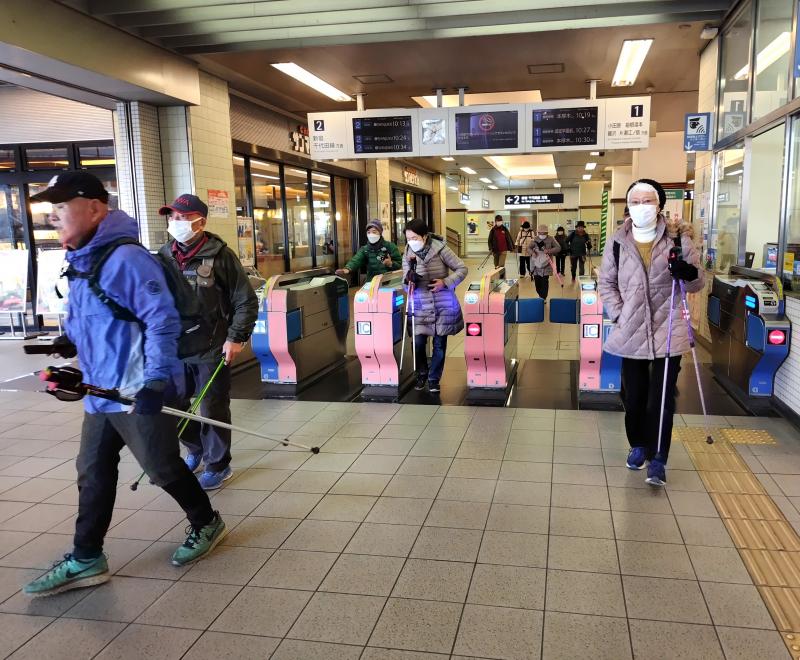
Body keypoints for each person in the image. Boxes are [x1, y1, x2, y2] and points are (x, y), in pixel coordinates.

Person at [22, 173, 225, 597]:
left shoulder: (126, 258)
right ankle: (86, 556)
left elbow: (161, 320)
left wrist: (153, 382)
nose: (54, 215)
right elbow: (96, 316)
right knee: (92, 471)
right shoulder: (81, 257)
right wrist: (68, 341)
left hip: (135, 389)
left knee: (162, 468)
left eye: (63, 206)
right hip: (100, 392)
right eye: (51, 208)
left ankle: (207, 523)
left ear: (94, 208)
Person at [598, 178, 704, 487]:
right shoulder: (617, 241)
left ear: (659, 204)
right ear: (628, 205)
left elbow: (696, 283)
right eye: (635, 201)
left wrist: (689, 274)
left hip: (668, 329)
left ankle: (658, 458)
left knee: (661, 399)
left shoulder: (678, 239)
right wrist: (619, 313)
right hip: (630, 329)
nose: (641, 206)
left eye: (648, 200)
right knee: (634, 397)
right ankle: (638, 445)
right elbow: (607, 282)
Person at [158, 194, 258, 490]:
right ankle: (195, 447)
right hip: (174, 347)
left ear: (201, 221)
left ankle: (217, 464)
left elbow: (245, 301)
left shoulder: (221, 255)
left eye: (183, 217)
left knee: (212, 406)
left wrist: (235, 338)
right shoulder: (164, 254)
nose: (176, 223)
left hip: (211, 344)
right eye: (173, 217)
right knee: (170, 404)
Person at [403, 218, 467, 393]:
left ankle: (433, 378)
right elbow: (404, 280)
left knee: (439, 344)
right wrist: (409, 281)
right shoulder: (408, 252)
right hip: (420, 304)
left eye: (415, 237)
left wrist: (445, 282)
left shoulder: (441, 249)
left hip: (442, 304)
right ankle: (421, 373)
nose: (411, 242)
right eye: (408, 238)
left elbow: (462, 269)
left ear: (424, 236)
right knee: (418, 342)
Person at [336, 219, 401, 281]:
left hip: (388, 281)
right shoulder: (365, 249)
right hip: (372, 282)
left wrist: (390, 264)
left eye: (374, 232)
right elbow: (356, 260)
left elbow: (399, 264)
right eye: (368, 232)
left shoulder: (390, 246)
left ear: (380, 233)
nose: (371, 234)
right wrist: (347, 268)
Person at [528, 224, 560, 300]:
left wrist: (549, 251)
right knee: (537, 282)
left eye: (544, 233)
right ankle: (540, 295)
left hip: (547, 265)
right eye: (540, 233)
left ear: (547, 233)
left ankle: (543, 297)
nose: (542, 235)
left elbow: (558, 248)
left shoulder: (551, 239)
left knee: (544, 282)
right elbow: (529, 248)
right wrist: (532, 253)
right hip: (536, 264)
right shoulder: (535, 239)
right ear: (538, 232)